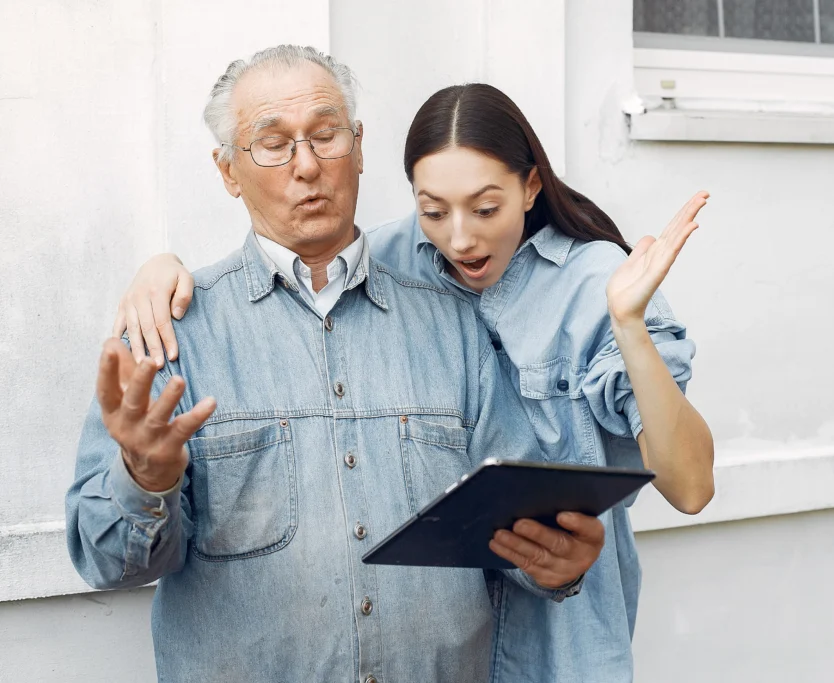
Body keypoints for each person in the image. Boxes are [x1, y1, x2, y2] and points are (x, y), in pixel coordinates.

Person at [115, 80, 716, 681]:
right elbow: (305, 265)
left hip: (563, 637)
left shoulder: (596, 281)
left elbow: (690, 489)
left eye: (485, 209)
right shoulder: (395, 257)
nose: (459, 237)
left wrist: (631, 325)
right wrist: (160, 270)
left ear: (531, 185)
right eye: (433, 210)